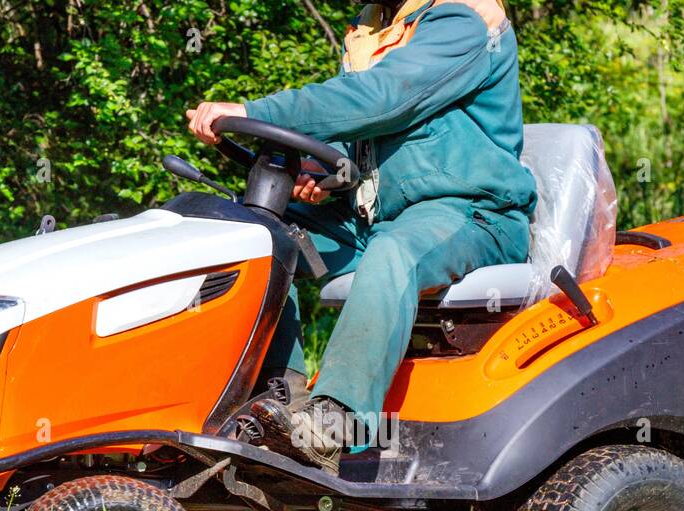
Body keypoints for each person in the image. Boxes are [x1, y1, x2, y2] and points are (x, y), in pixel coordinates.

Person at [188, 0, 536, 474]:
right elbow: (366, 140)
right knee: (257, 233)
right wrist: (325, 170)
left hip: (471, 213)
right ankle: (276, 396)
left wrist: (255, 111)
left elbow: (385, 98)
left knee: (394, 252)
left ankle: (334, 424)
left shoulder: (464, 18)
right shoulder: (373, 28)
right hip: (376, 216)